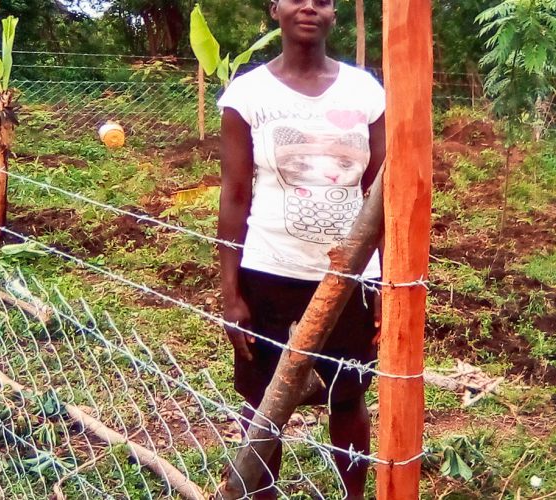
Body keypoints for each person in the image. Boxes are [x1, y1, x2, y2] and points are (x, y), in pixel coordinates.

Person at [216, 0, 386, 498]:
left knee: (347, 397)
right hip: (268, 270)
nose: (309, 6)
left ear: (334, 14)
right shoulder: (248, 94)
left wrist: (385, 277)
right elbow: (234, 194)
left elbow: (382, 192)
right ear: (275, 9)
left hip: (352, 278)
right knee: (262, 403)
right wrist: (231, 293)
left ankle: (353, 495)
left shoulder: (365, 91)